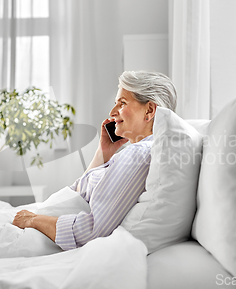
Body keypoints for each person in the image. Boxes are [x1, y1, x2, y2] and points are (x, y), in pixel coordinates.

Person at [12, 71, 177, 250]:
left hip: (40, 237)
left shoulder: (138, 154)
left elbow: (91, 231)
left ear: (150, 111)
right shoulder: (134, 152)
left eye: (122, 103)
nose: (112, 112)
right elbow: (82, 191)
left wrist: (33, 219)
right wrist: (104, 153)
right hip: (41, 226)